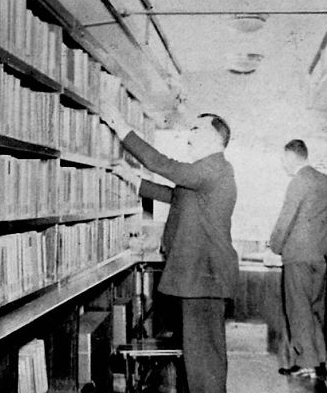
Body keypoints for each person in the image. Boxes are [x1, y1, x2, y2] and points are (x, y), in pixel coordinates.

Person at [102, 107, 238, 393]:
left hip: (203, 281)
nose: (189, 134)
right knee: (200, 363)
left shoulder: (212, 166)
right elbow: (173, 196)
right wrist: (131, 178)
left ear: (216, 138)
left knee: (204, 367)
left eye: (197, 129)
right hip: (200, 281)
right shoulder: (205, 173)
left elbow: (160, 163)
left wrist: (123, 128)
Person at [269, 139, 327, 379]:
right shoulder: (324, 180)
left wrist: (274, 247)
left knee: (298, 310)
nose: (283, 164)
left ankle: (306, 363)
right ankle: (318, 361)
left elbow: (287, 218)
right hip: (321, 255)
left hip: (298, 256)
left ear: (293, 156)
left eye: (284, 159)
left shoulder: (299, 181)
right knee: (315, 309)